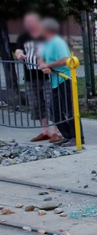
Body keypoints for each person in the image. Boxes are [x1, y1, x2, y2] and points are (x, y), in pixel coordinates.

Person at [14, 12, 60, 143]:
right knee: (36, 104)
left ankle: (57, 131)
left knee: (51, 103)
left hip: (47, 75)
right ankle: (45, 131)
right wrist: (19, 54)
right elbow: (18, 49)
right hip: (30, 76)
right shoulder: (23, 36)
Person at [38, 18, 81, 148]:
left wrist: (49, 65)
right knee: (55, 111)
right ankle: (66, 136)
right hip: (55, 80)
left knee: (69, 110)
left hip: (64, 78)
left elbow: (65, 59)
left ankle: (77, 137)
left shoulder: (57, 42)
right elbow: (40, 56)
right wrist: (42, 65)